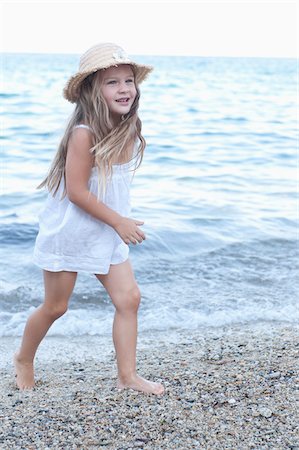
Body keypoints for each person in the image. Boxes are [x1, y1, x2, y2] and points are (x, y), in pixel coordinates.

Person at [14, 42, 164, 395]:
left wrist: (116, 223)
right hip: (71, 230)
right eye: (112, 82)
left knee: (129, 299)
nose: (125, 88)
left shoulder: (128, 125)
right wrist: (118, 221)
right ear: (92, 90)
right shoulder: (84, 133)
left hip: (107, 229)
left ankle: (127, 377)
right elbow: (78, 192)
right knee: (56, 306)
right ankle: (23, 357)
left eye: (128, 80)